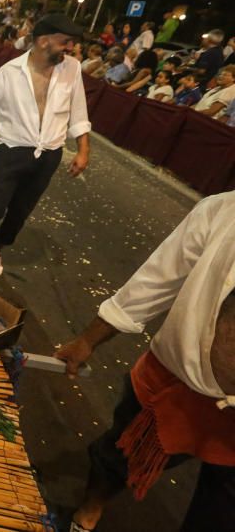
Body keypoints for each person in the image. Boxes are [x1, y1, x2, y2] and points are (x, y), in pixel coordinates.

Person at [55, 192, 235, 532]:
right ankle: (86, 516)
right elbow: (156, 281)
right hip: (176, 383)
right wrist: (87, 340)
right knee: (117, 459)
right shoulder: (223, 210)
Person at [0, 14, 91, 271]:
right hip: (11, 152)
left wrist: (83, 150)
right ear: (44, 41)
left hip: (49, 154)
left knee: (20, 211)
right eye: (66, 42)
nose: (71, 48)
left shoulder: (72, 69)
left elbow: (79, 112)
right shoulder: (10, 72)